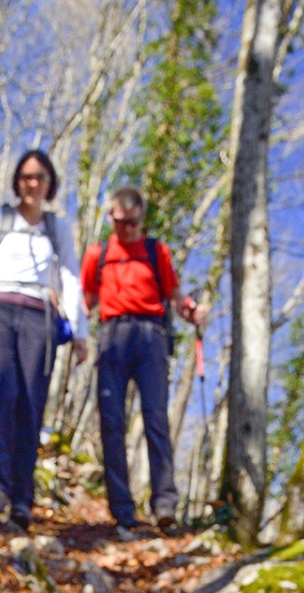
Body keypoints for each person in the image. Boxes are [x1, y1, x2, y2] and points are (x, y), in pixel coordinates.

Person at [0, 150, 86, 530]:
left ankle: (23, 497)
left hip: (38, 316)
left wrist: (79, 333)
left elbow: (71, 278)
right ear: (17, 180)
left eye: (39, 177)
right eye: (26, 176)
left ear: (49, 184)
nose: (32, 183)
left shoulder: (57, 230)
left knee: (30, 400)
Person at [80, 186, 208, 534]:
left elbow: (175, 294)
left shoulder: (157, 252)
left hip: (151, 337)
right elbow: (85, 298)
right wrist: (72, 330)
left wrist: (191, 312)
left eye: (134, 223)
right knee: (111, 421)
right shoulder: (99, 253)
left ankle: (165, 504)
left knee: (155, 418)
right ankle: (122, 510)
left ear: (142, 220)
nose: (127, 230)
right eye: (121, 223)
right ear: (111, 218)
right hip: (112, 336)